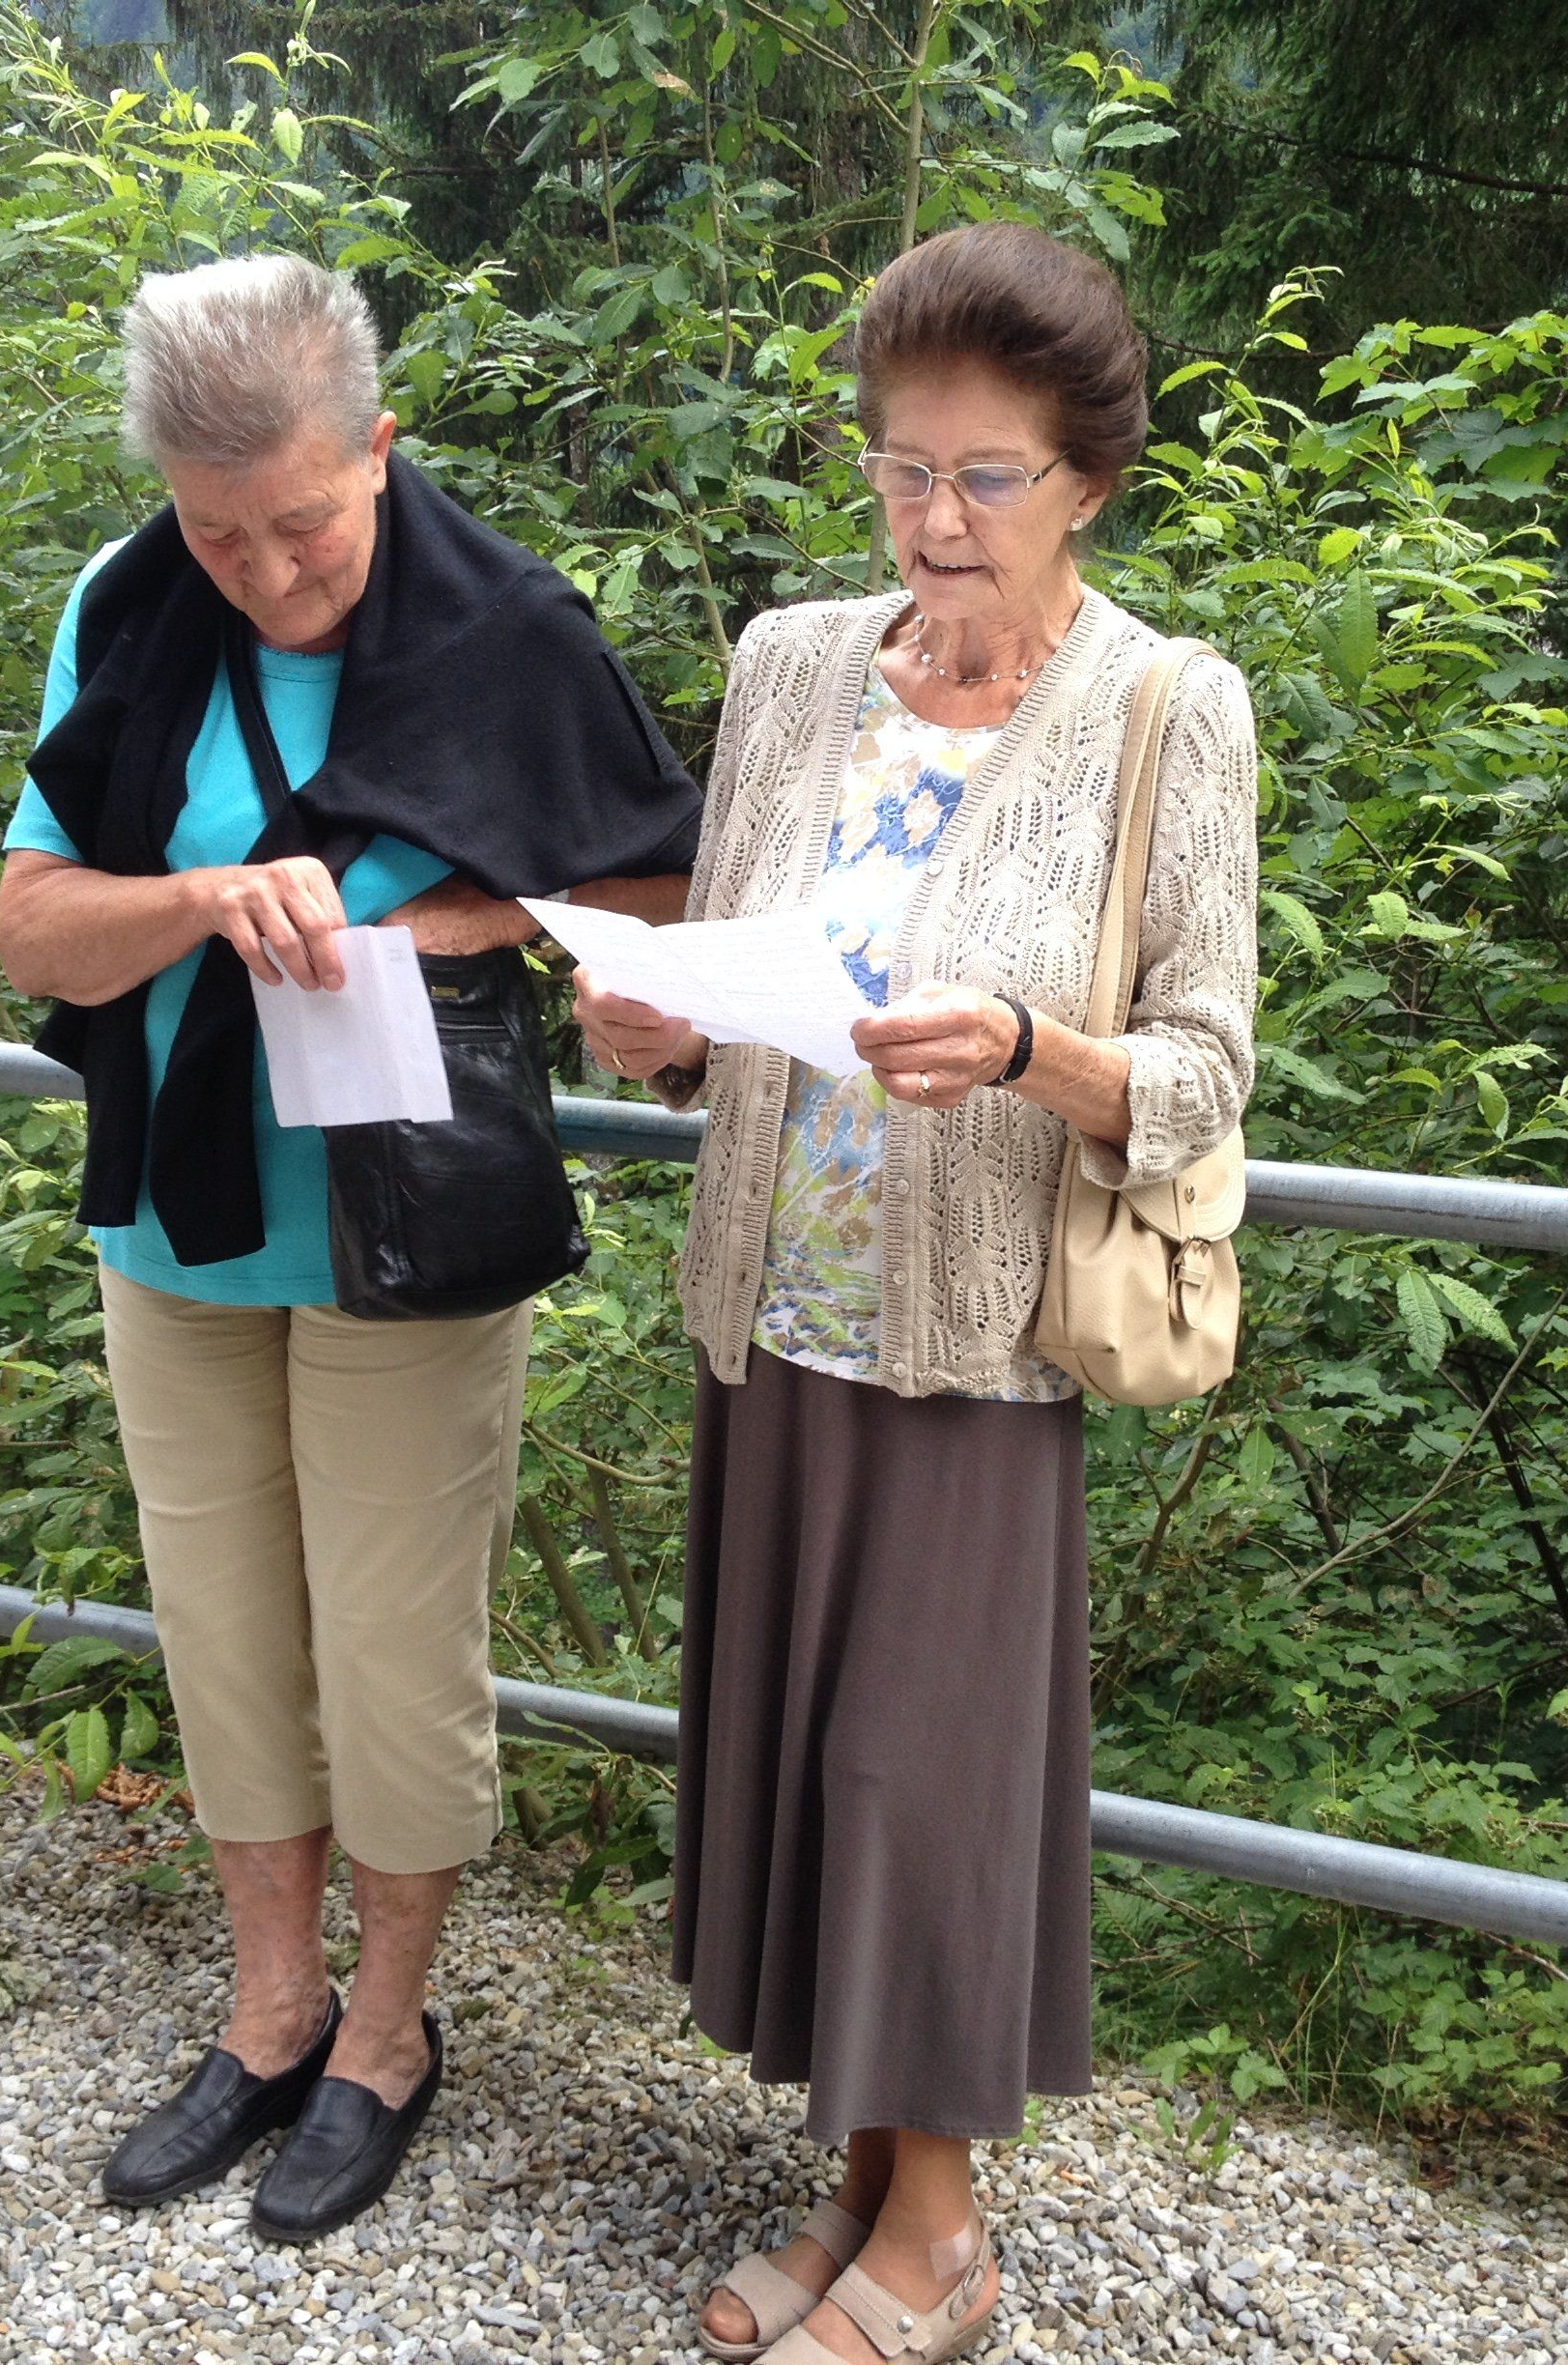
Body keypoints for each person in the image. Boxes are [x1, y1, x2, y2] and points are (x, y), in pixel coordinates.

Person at [576, 221, 1260, 2365]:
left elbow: (1208, 1071)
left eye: (987, 477)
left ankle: (944, 2237)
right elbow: (725, 981)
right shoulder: (792, 663)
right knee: (809, 1757)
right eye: (902, 468)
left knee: (915, 1779)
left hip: (976, 1347)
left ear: (1090, 482)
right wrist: (654, 1027)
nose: (936, 518)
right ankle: (866, 2184)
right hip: (774, 1313)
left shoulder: (1165, 706)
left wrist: (1034, 1052)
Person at [0, 254, 698, 2244]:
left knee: (394, 1652)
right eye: (218, 533)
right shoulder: (128, 605)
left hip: (414, 1221)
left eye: (301, 522)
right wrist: (202, 902)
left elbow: (656, 885)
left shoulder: (511, 629)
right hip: (180, 1220)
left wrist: (441, 929)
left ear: (380, 447)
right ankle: (269, 2010)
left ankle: (387, 2035)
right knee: (226, 1636)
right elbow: (34, 926)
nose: (265, 573)